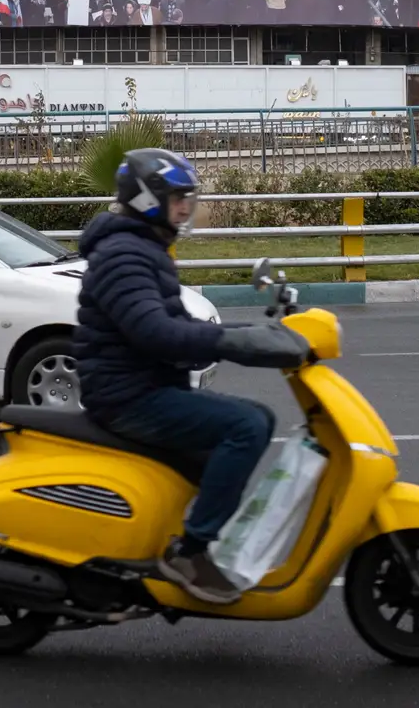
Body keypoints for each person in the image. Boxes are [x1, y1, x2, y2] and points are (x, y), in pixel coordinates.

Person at [74, 149, 309, 605]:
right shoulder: (125, 256)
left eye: (188, 197)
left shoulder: (143, 248)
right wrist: (235, 344)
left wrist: (255, 333)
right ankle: (190, 552)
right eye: (178, 197)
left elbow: (184, 326)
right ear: (147, 199)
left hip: (142, 385)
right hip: (128, 395)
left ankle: (185, 535)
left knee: (231, 432)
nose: (186, 207)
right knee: (248, 424)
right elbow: (156, 333)